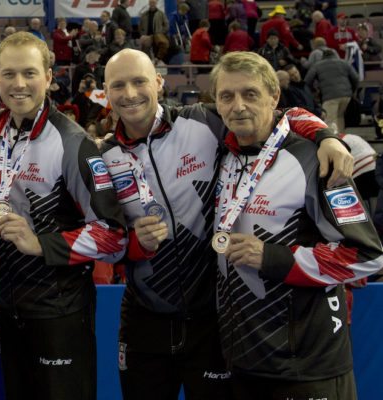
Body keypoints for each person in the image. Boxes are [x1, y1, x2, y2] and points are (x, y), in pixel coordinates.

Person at [99, 48, 351, 400]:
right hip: (145, 316)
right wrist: (134, 242)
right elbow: (102, 238)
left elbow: (272, 115)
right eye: (118, 85)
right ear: (104, 92)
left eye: (139, 81)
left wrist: (324, 135)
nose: (130, 93)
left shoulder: (204, 121)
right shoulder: (101, 157)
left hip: (213, 320)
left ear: (158, 82)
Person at [210, 50, 382, 400]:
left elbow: (367, 255)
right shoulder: (223, 157)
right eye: (226, 96)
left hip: (308, 367)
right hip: (243, 361)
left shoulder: (316, 159)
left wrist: (274, 258)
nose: (238, 105)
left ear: (274, 97)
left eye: (250, 94)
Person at [0, 31, 127, 400]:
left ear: (49, 76)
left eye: (29, 73)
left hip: (59, 313)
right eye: (8, 74)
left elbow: (113, 236)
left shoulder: (73, 142)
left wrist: (41, 244)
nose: (18, 84)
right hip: (8, 311)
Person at [305, 49, 359, 132]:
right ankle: (341, 138)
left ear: (323, 56)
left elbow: (308, 81)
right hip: (346, 96)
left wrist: (313, 92)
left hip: (329, 97)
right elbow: (355, 78)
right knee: (340, 117)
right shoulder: (344, 63)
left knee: (329, 120)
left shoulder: (317, 65)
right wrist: (352, 91)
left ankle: (333, 140)